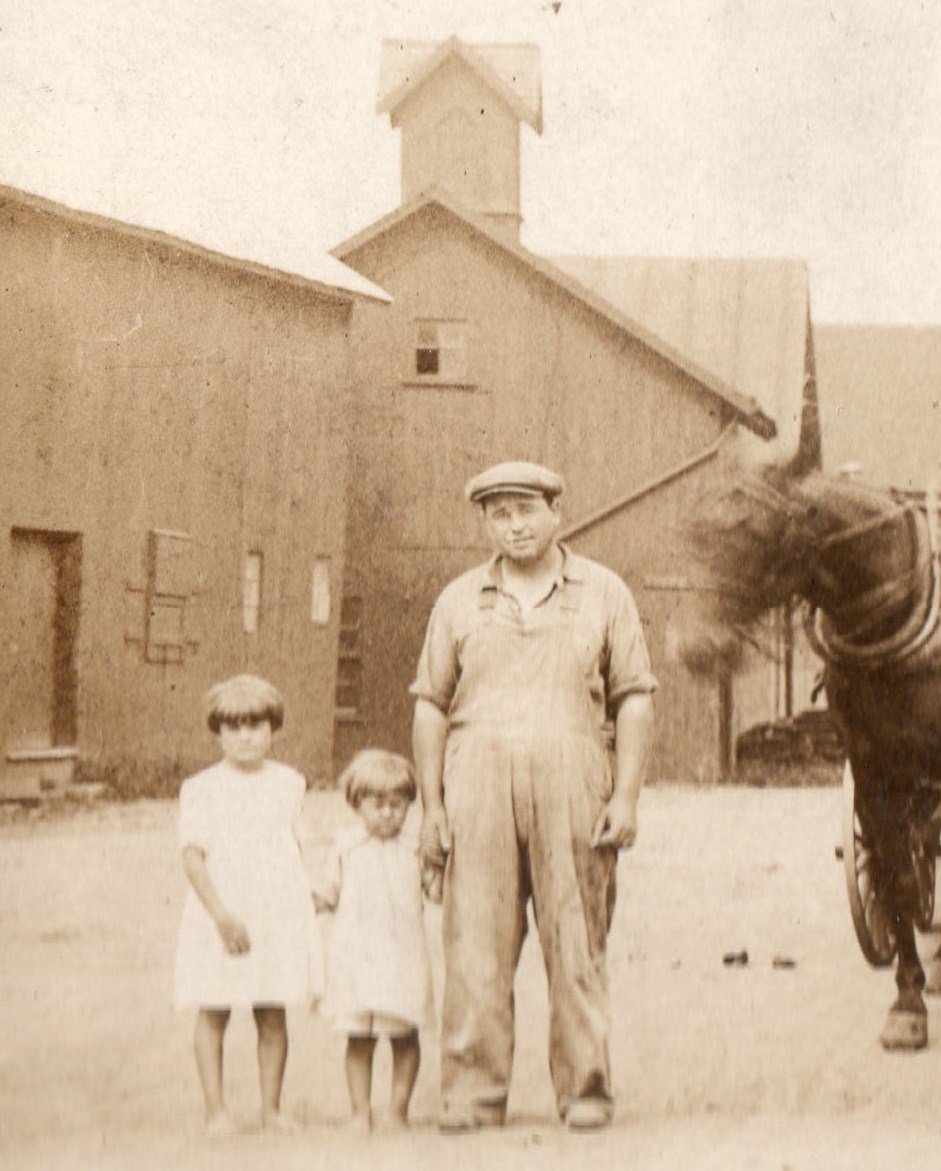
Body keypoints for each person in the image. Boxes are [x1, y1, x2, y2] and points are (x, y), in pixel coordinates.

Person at [412, 460, 657, 1133]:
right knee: (473, 941)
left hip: (575, 772)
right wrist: (432, 806)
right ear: (484, 522)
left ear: (556, 512)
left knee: (576, 935)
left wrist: (627, 794)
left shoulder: (603, 593)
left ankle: (586, 1087)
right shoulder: (459, 599)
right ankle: (471, 1092)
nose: (514, 526)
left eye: (526, 510)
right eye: (499, 514)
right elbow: (430, 705)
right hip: (475, 779)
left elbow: (633, 694)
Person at [174, 674, 322, 1137]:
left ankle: (271, 1109)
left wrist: (306, 905)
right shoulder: (201, 787)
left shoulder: (290, 783)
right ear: (217, 731)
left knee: (271, 1010)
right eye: (233, 726)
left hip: (272, 914)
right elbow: (193, 858)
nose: (245, 736)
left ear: (273, 728)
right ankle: (216, 1110)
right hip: (222, 912)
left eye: (256, 725)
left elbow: (298, 848)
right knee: (214, 1008)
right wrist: (220, 916)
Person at [313, 749, 434, 1132]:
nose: (387, 814)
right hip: (356, 961)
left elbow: (437, 891)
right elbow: (325, 895)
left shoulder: (416, 850)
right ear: (356, 803)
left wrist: (444, 867)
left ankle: (398, 1111)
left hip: (402, 959)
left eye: (397, 805)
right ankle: (360, 1112)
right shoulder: (345, 849)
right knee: (359, 1039)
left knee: (404, 1036)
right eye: (377, 804)